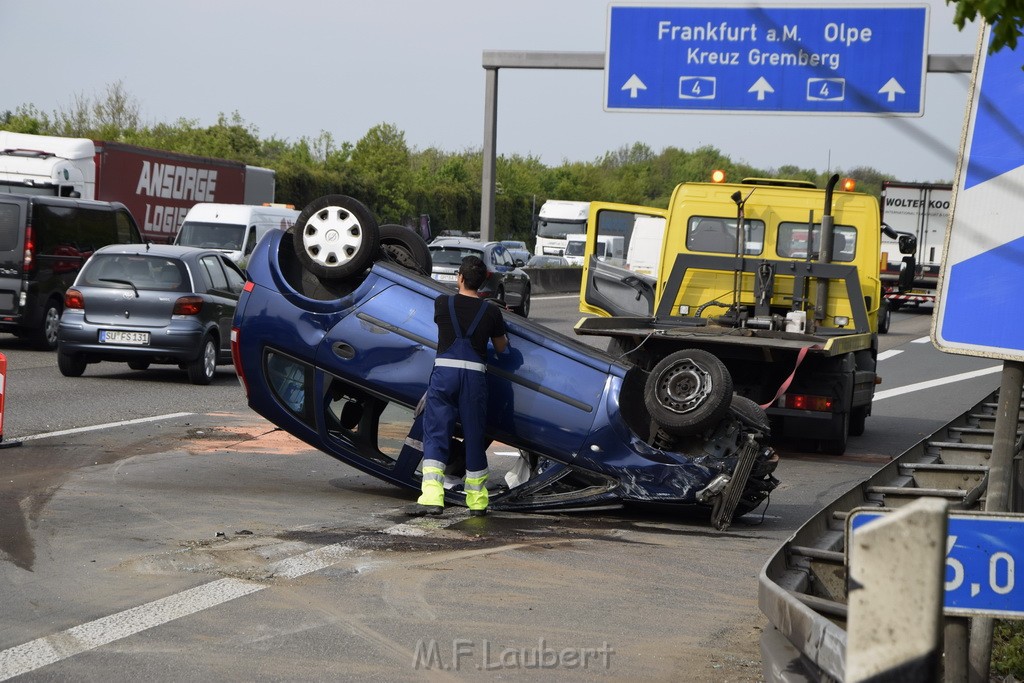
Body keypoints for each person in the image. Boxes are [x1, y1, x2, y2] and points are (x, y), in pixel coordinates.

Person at [408, 255, 508, 517]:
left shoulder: (443, 303)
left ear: (460, 278)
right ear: (483, 282)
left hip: (445, 376)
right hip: (474, 378)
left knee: (437, 432)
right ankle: (477, 501)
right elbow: (501, 347)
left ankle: (432, 498)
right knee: (474, 436)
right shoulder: (491, 312)